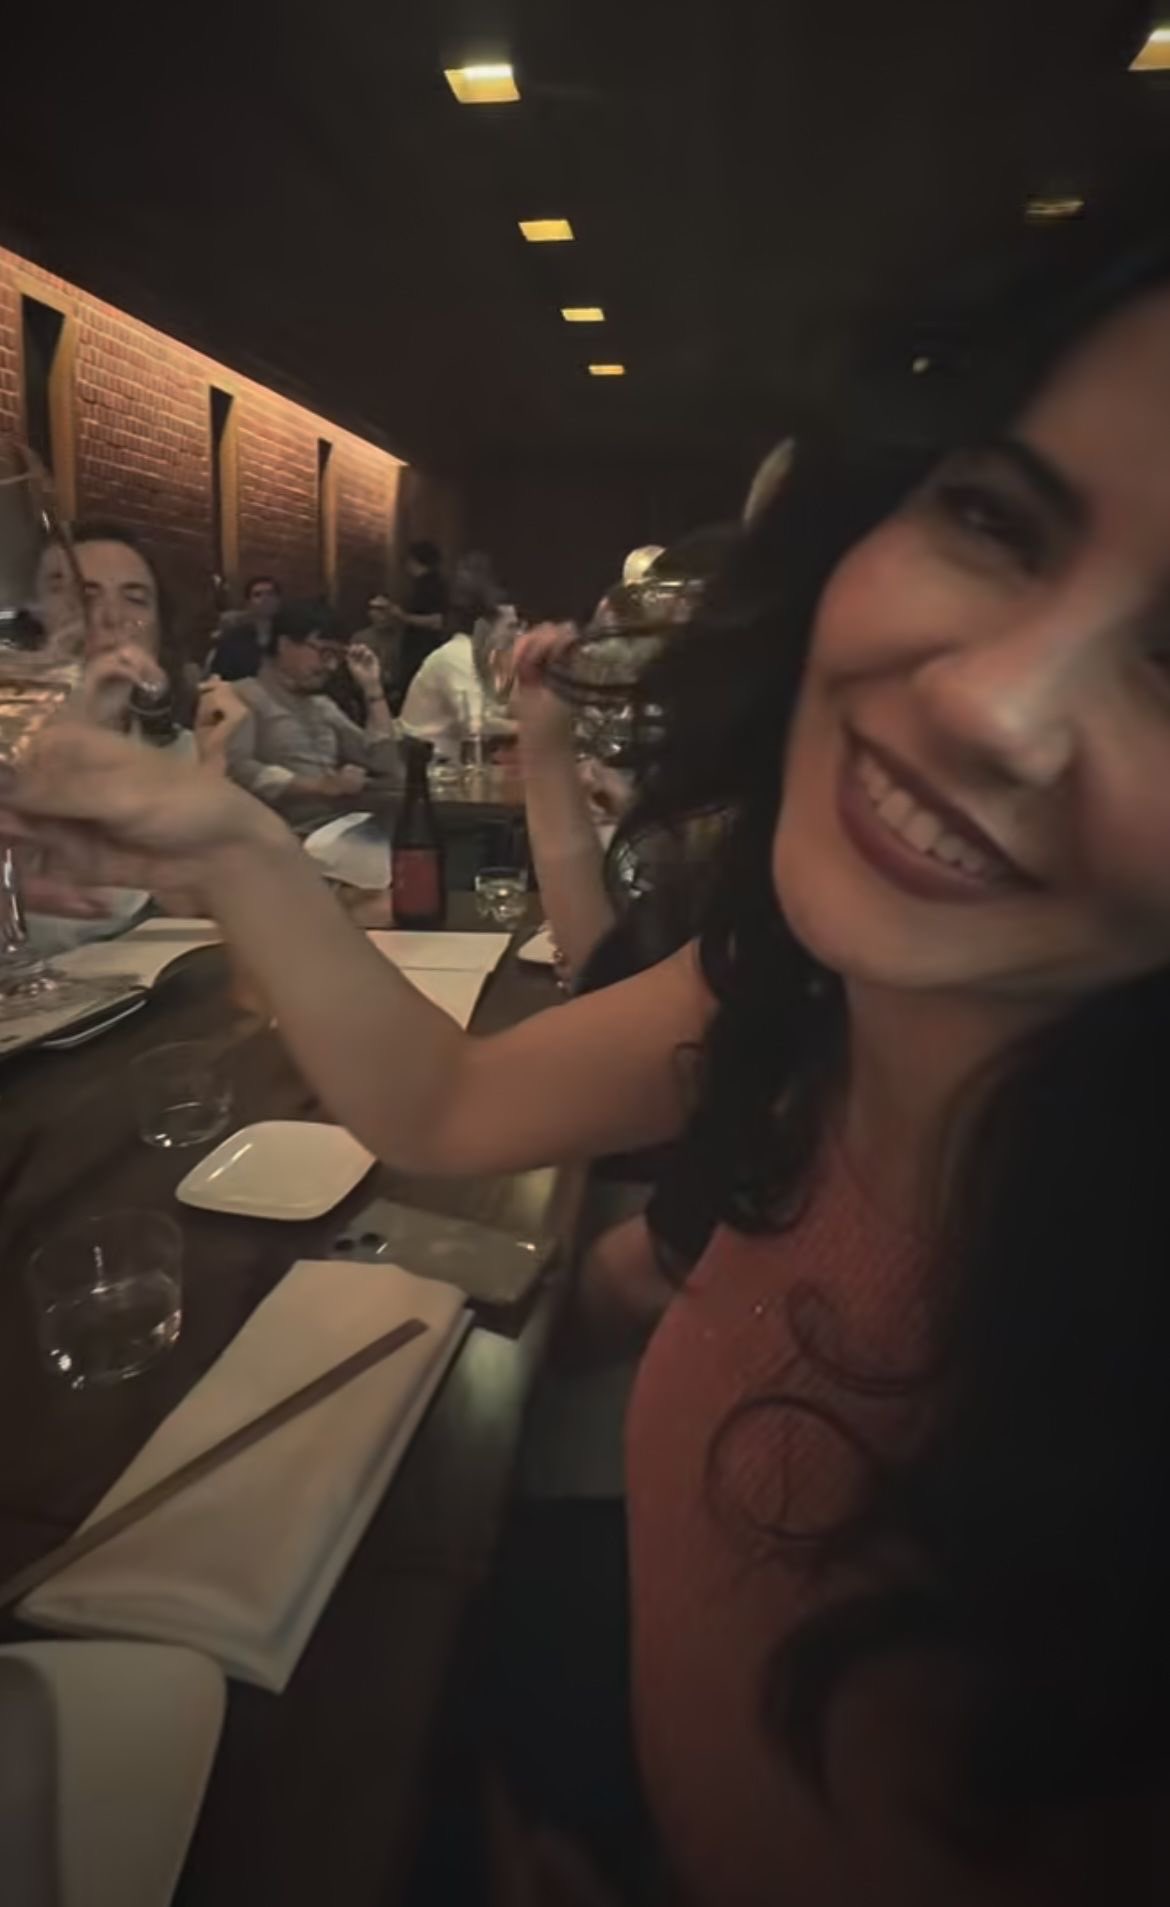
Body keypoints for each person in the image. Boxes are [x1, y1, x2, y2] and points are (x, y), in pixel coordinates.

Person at [14, 208, 1170, 1906]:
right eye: (996, 518)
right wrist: (231, 844)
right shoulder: (797, 990)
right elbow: (447, 1100)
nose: (996, 707)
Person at [226, 599, 397, 831]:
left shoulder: (322, 705)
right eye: (324, 653)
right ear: (284, 644)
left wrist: (372, 689)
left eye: (337, 656)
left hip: (337, 827)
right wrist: (319, 786)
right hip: (278, 835)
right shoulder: (240, 695)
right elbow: (237, 769)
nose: (331, 666)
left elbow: (385, 764)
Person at [401, 597, 520, 767]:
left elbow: (492, 710)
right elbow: (473, 723)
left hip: (454, 757)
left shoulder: (482, 658)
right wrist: (527, 728)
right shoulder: (458, 655)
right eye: (511, 627)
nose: (517, 634)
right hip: (424, 762)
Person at [388, 540, 447, 702]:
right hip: (419, 646)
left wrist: (402, 616)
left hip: (423, 647)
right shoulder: (424, 584)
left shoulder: (431, 585)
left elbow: (437, 621)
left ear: (415, 560)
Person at [204, 574, 282, 681]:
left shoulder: (289, 636)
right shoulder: (232, 639)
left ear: (278, 600)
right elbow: (218, 676)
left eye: (270, 593)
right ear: (248, 603)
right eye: (257, 595)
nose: (265, 599)